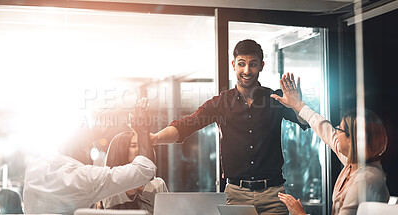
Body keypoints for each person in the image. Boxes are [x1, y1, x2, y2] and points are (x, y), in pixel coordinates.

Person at [150, 39, 308, 214]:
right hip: (236, 195)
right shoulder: (220, 103)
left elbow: (305, 121)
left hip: (273, 195)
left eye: (253, 64)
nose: (247, 70)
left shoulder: (275, 99)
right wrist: (154, 139)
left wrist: (297, 105)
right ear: (234, 65)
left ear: (261, 66)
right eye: (242, 64)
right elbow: (185, 126)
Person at [273, 73, 390, 215]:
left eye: (339, 129)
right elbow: (325, 130)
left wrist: (300, 214)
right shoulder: (353, 164)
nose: (335, 133)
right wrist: (299, 105)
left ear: (352, 140)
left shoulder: (364, 181)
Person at [23, 98, 156, 214]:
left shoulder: (35, 168)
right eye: (91, 146)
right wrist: (143, 130)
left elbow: (74, 141)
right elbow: (144, 169)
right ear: (83, 146)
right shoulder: (85, 178)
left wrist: (89, 135)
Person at [101, 131, 168, 214]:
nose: (139, 150)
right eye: (133, 146)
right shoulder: (108, 184)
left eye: (142, 146)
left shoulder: (157, 184)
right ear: (120, 150)